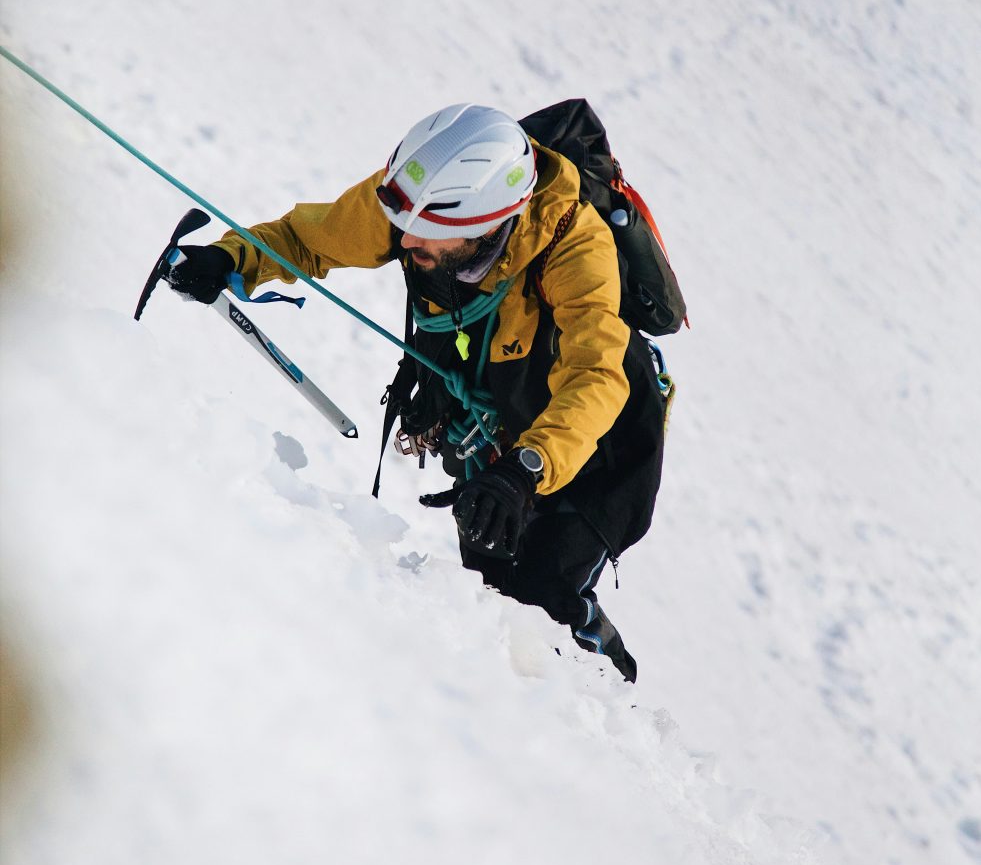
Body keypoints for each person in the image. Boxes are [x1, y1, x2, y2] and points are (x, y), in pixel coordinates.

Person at [168, 104, 666, 681]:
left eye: (429, 238)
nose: (405, 244)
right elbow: (306, 240)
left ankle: (613, 709)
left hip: (602, 442)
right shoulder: (413, 201)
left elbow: (594, 376)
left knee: (542, 593)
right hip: (495, 425)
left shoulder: (576, 250)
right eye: (404, 229)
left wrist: (527, 468)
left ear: (487, 226)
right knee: (488, 594)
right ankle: (517, 706)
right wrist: (230, 258)